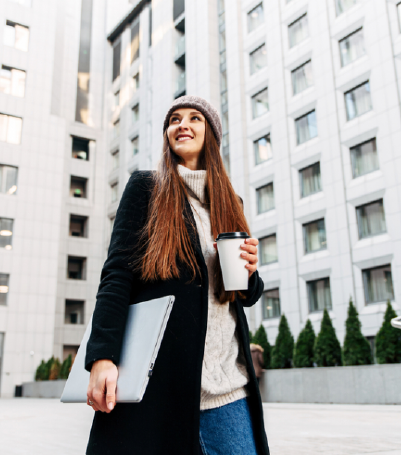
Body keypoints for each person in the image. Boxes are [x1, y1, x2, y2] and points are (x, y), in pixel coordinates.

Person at [85, 95, 270, 455]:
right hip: (164, 385)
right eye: (174, 119)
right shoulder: (147, 189)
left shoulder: (231, 203)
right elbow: (117, 276)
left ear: (211, 135)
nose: (182, 124)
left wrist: (250, 271)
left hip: (228, 388)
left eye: (194, 118)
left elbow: (242, 295)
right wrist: (102, 356)